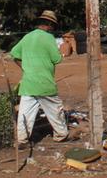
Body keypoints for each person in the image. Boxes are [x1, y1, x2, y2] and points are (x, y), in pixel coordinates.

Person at [8, 9, 70, 144]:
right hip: (45, 82)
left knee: (25, 114)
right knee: (55, 110)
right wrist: (63, 53)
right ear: (49, 24)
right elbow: (56, 59)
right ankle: (61, 134)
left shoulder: (28, 37)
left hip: (28, 83)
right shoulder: (48, 38)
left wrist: (25, 68)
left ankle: (22, 140)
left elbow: (14, 54)